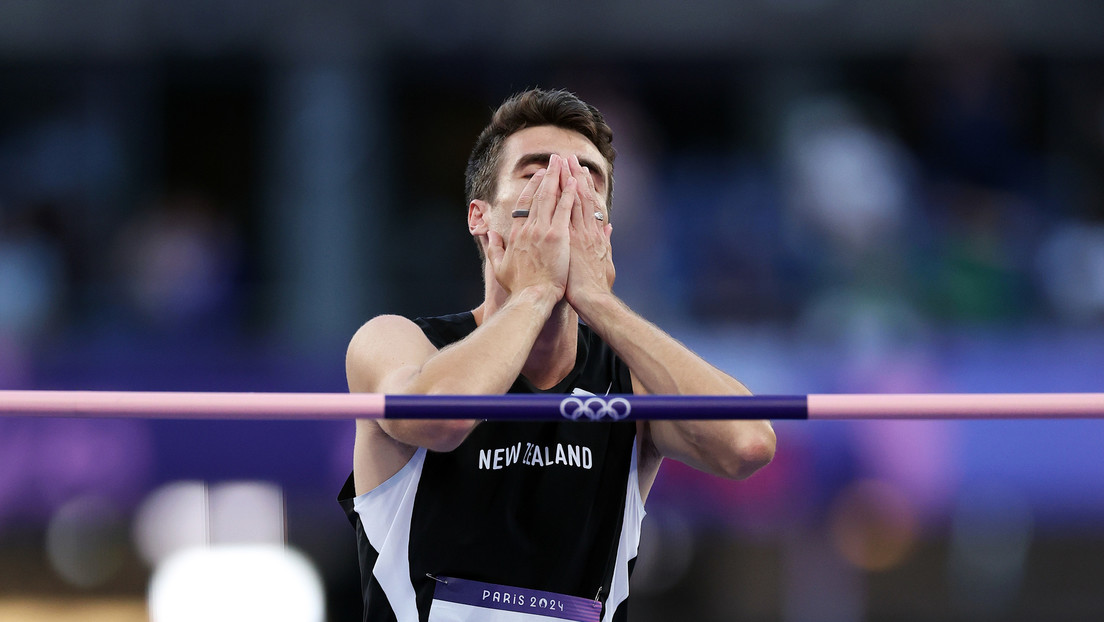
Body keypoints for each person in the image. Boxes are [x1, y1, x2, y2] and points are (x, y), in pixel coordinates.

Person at [339, 88, 776, 622]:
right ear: (482, 218)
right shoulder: (395, 340)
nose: (565, 193)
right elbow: (441, 417)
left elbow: (748, 445)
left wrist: (597, 300)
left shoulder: (630, 381)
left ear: (604, 232)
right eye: (537, 173)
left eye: (587, 179)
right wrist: (535, 293)